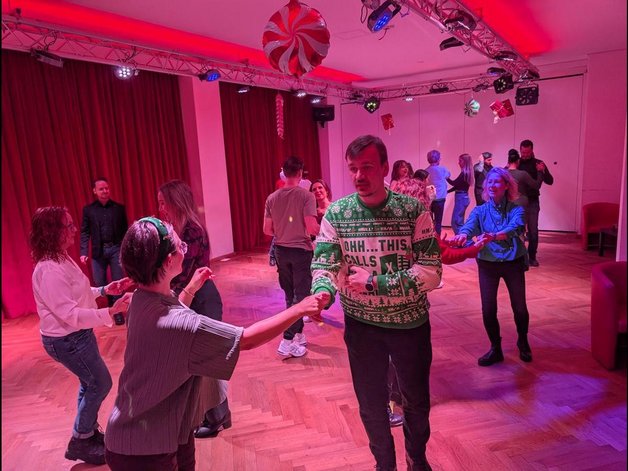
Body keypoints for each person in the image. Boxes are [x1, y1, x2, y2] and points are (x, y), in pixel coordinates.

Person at [104, 217, 325, 470]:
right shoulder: (181, 324)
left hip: (160, 431)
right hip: (143, 448)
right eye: (180, 246)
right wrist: (299, 308)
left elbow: (170, 317)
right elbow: (246, 339)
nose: (184, 249)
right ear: (168, 261)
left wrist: (191, 288)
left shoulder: (139, 300)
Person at [312, 135, 442, 471]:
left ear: (385, 168)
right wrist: (323, 290)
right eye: (353, 168)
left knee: (416, 402)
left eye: (367, 167)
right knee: (371, 405)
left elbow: (431, 272)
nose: (359, 176)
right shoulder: (337, 213)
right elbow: (324, 262)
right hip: (362, 326)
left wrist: (375, 282)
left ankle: (416, 459)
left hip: (410, 325)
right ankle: (384, 465)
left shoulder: (412, 210)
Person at [30, 206, 132, 465]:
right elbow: (71, 314)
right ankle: (81, 440)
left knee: (90, 383)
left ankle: (86, 432)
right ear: (53, 232)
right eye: (69, 226)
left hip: (76, 336)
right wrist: (111, 311)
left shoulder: (60, 258)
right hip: (67, 340)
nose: (75, 230)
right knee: (101, 383)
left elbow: (78, 293)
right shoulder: (49, 270)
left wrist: (106, 289)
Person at [157, 180, 230, 440]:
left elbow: (182, 272)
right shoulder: (176, 229)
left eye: (164, 202)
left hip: (202, 300)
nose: (161, 208)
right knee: (195, 363)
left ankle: (218, 416)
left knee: (206, 363)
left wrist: (158, 285)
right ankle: (209, 413)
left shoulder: (192, 231)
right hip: (189, 298)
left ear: (176, 202)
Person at [451, 168, 532, 367]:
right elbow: (469, 226)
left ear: (506, 186)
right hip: (488, 264)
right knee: (488, 310)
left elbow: (515, 228)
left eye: (497, 182)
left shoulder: (516, 209)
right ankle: (495, 348)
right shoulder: (480, 211)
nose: (492, 185)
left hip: (513, 262)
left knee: (520, 308)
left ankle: (523, 341)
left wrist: (493, 236)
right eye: (489, 182)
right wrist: (462, 235)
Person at [263, 156, 319, 358]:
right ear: (300, 173)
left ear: (284, 173)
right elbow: (311, 227)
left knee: (290, 295)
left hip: (281, 250)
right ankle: (287, 340)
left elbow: (267, 230)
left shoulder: (272, 198)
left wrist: (284, 231)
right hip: (301, 251)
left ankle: (298, 335)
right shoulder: (306, 196)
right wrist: (323, 231)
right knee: (301, 297)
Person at [80, 177, 128, 305]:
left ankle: (118, 308)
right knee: (99, 281)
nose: (105, 191)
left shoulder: (119, 208)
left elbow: (125, 231)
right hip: (98, 251)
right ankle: (111, 303)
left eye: (107, 188)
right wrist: (83, 252)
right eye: (101, 189)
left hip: (116, 249)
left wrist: (126, 249)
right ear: (94, 191)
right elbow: (85, 232)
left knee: (119, 281)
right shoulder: (88, 210)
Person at [518, 140, 554, 267]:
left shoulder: (538, 163)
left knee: (533, 231)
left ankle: (532, 257)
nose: (525, 155)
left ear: (532, 150)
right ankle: (521, 258)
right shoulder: (517, 163)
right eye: (523, 152)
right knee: (519, 231)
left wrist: (543, 171)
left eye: (527, 152)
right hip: (519, 202)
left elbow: (550, 181)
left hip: (533, 201)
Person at [424, 150, 450, 236]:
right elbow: (448, 175)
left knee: (430, 221)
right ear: (438, 159)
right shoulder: (443, 169)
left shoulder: (426, 171)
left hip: (430, 198)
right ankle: (438, 240)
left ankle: (430, 237)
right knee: (438, 221)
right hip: (440, 198)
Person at [446, 153, 474, 234]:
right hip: (463, 197)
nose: (458, 163)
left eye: (460, 161)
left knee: (455, 222)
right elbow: (458, 186)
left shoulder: (464, 173)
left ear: (465, 162)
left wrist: (446, 177)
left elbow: (454, 183)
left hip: (461, 198)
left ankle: (461, 238)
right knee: (459, 222)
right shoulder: (466, 173)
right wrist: (447, 192)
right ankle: (461, 238)